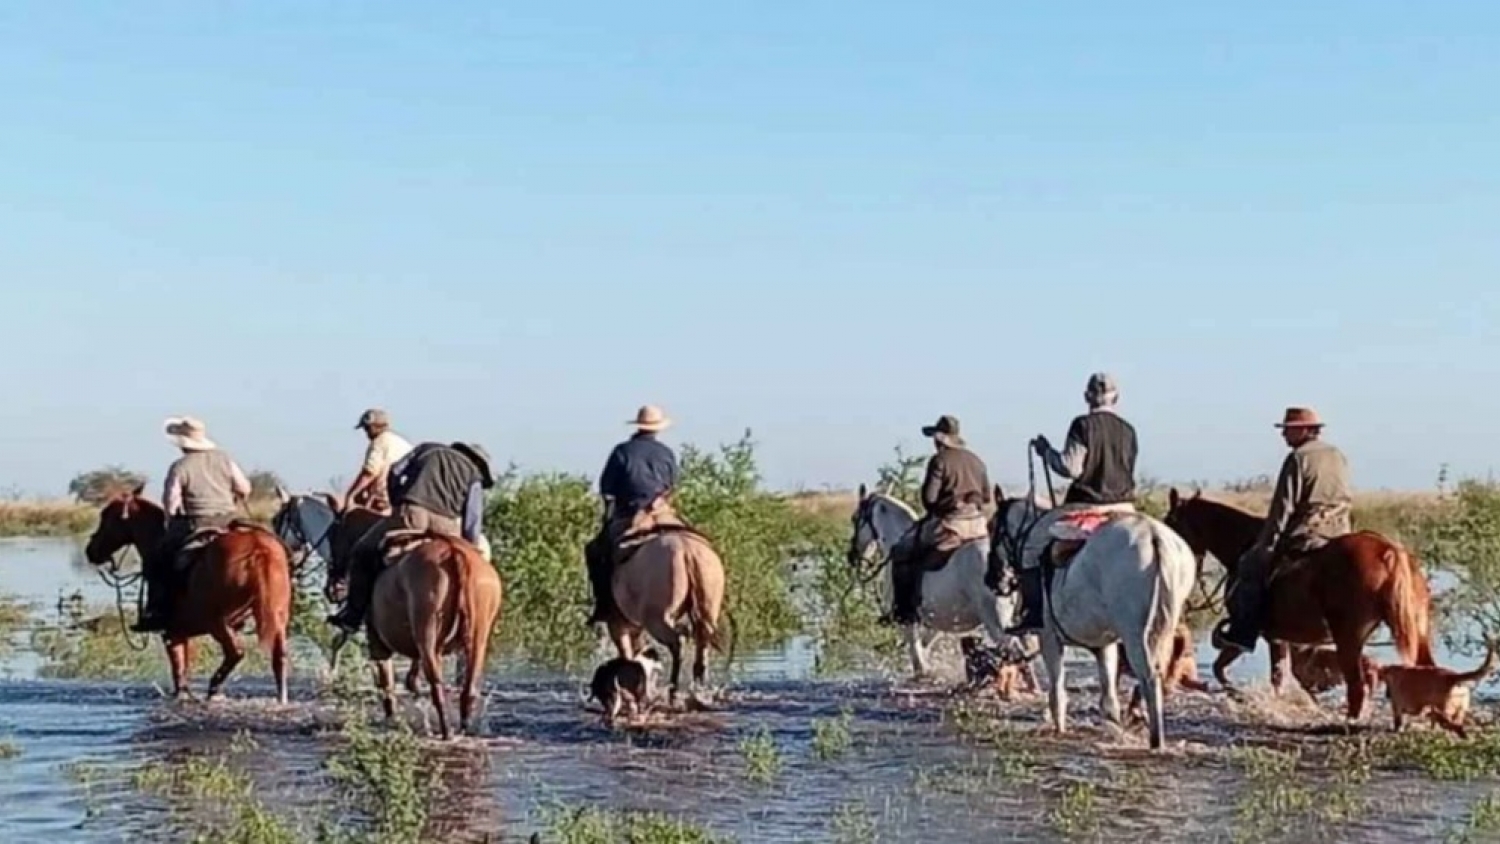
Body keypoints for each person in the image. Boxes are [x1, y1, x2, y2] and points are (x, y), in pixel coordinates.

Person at [1006, 372, 1139, 635]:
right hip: (1125, 508)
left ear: (1087, 397)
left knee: (1030, 546)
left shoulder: (1082, 425)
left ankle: (1032, 614)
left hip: (1088, 506)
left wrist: (1047, 452)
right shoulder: (1128, 430)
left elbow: (1071, 468)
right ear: (1117, 397)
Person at [1212, 407, 1352, 655]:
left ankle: (1243, 633)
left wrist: (1267, 543)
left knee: (1249, 567)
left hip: (1308, 532)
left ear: (1306, 430)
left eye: (1289, 430)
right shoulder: (1337, 455)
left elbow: (1283, 506)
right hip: (1340, 532)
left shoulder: (1298, 458)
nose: (1284, 435)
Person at [326, 440, 495, 633]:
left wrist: (397, 500)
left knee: (362, 551)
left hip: (412, 515)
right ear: (479, 464)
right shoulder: (474, 476)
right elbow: (473, 518)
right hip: (447, 526)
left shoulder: (428, 449)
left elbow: (395, 471)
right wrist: (470, 548)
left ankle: (352, 616)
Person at [132, 417, 252, 633]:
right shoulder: (224, 459)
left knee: (158, 559)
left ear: (182, 443)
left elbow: (171, 501)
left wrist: (170, 519)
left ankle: (157, 611)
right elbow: (244, 488)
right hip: (229, 519)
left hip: (197, 522)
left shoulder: (180, 466)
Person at [880, 415, 992, 626]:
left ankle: (903, 611)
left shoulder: (939, 460)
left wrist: (942, 506)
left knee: (901, 552)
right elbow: (986, 496)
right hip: (979, 525)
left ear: (940, 439)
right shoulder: (976, 460)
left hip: (951, 524)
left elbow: (929, 499)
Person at [585, 405, 680, 625]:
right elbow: (672, 485)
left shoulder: (622, 451)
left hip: (630, 513)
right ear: (658, 428)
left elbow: (607, 490)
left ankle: (604, 606)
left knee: (595, 551)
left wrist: (608, 517)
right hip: (663, 511)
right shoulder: (666, 453)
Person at [341, 408, 413, 514]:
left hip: (385, 498)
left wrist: (351, 495)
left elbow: (369, 472)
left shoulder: (379, 442)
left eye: (366, 429)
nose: (366, 434)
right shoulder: (402, 443)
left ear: (372, 427)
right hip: (406, 497)